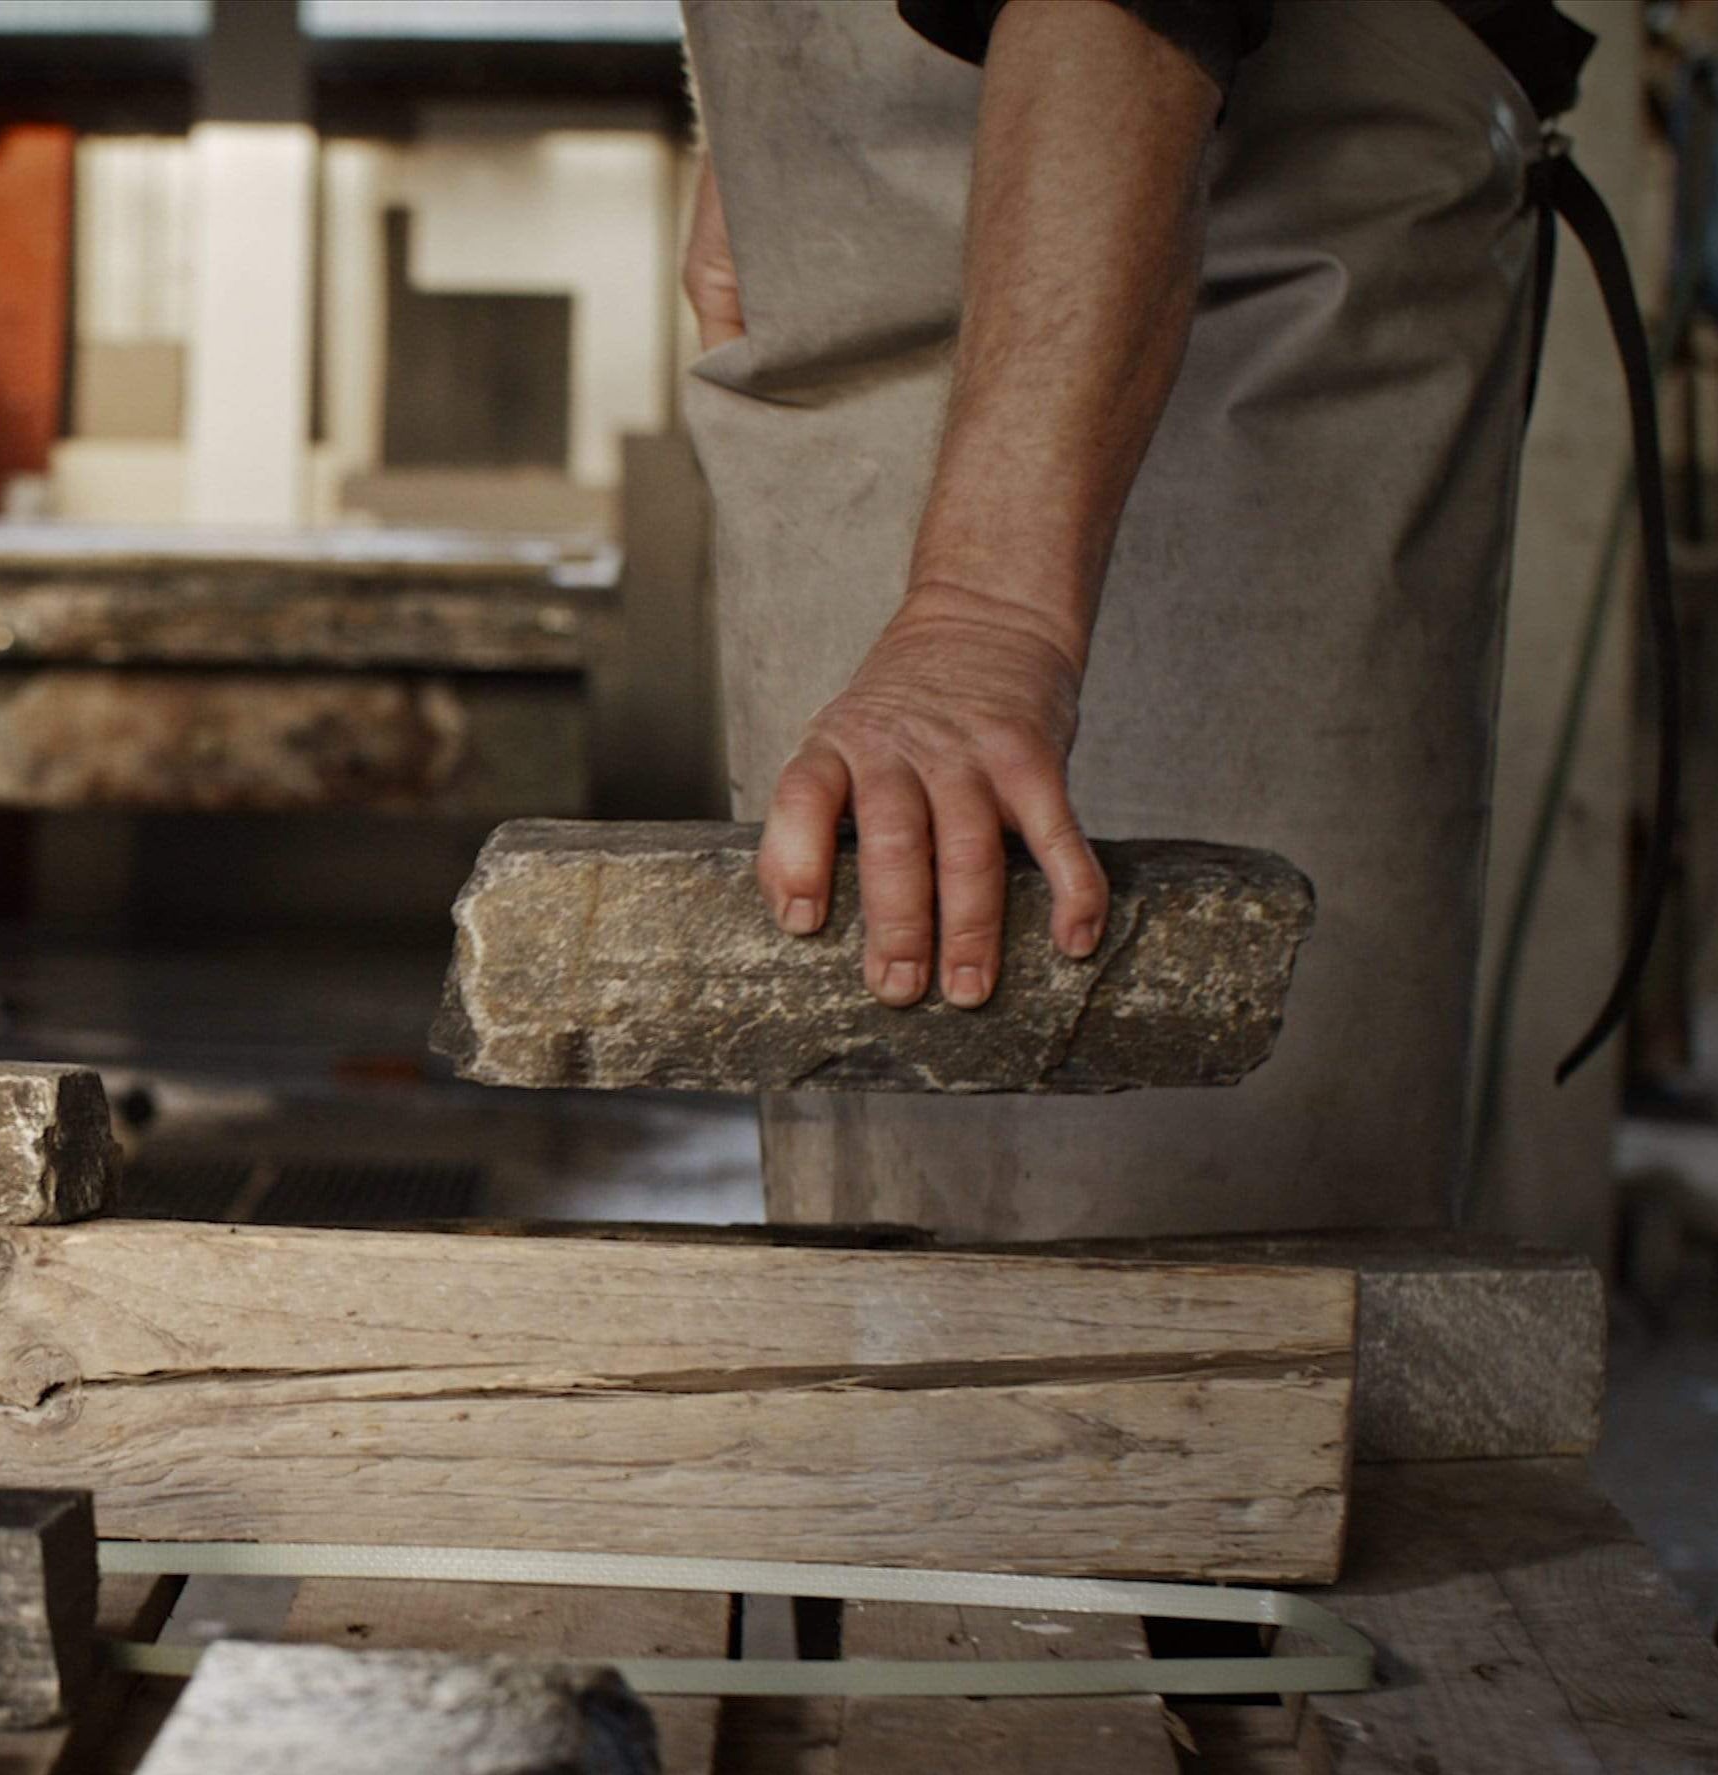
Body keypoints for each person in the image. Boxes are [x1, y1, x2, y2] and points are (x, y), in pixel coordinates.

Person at [678, 0, 1592, 1238]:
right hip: (846, 245)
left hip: (1219, 210)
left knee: (1207, 1266)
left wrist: (984, 615)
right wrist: (750, 131)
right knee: (885, 1255)